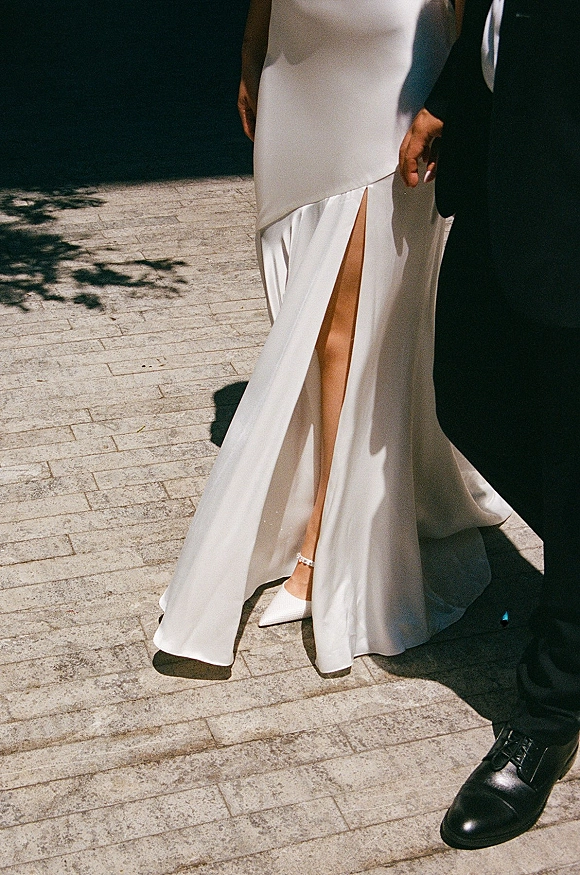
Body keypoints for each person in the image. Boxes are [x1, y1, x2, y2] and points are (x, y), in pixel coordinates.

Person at [153, 0, 509, 676]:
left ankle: (324, 544)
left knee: (341, 329)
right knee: (305, 314)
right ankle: (345, 497)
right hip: (295, 61)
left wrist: (450, 101)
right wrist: (253, 50)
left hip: (388, 66)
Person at [400, 0, 580, 851]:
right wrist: (449, 99)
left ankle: (549, 711)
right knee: (467, 389)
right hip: (510, 169)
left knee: (571, 455)